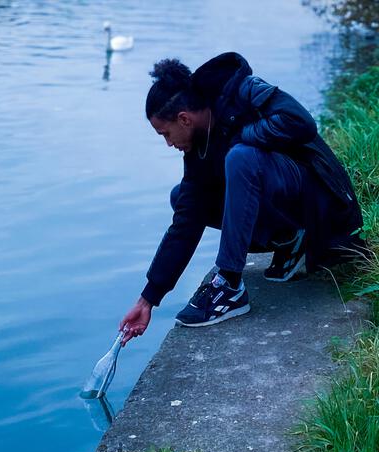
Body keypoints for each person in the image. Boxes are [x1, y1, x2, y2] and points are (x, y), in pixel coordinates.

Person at [119, 52, 365, 345]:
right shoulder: (198, 146)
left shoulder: (242, 90)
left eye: (165, 133)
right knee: (182, 198)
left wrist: (242, 137)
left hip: (327, 208)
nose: (168, 143)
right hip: (292, 209)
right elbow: (185, 224)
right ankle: (289, 240)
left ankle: (230, 285)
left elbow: (300, 121)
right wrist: (148, 299)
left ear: (184, 119)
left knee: (240, 157)